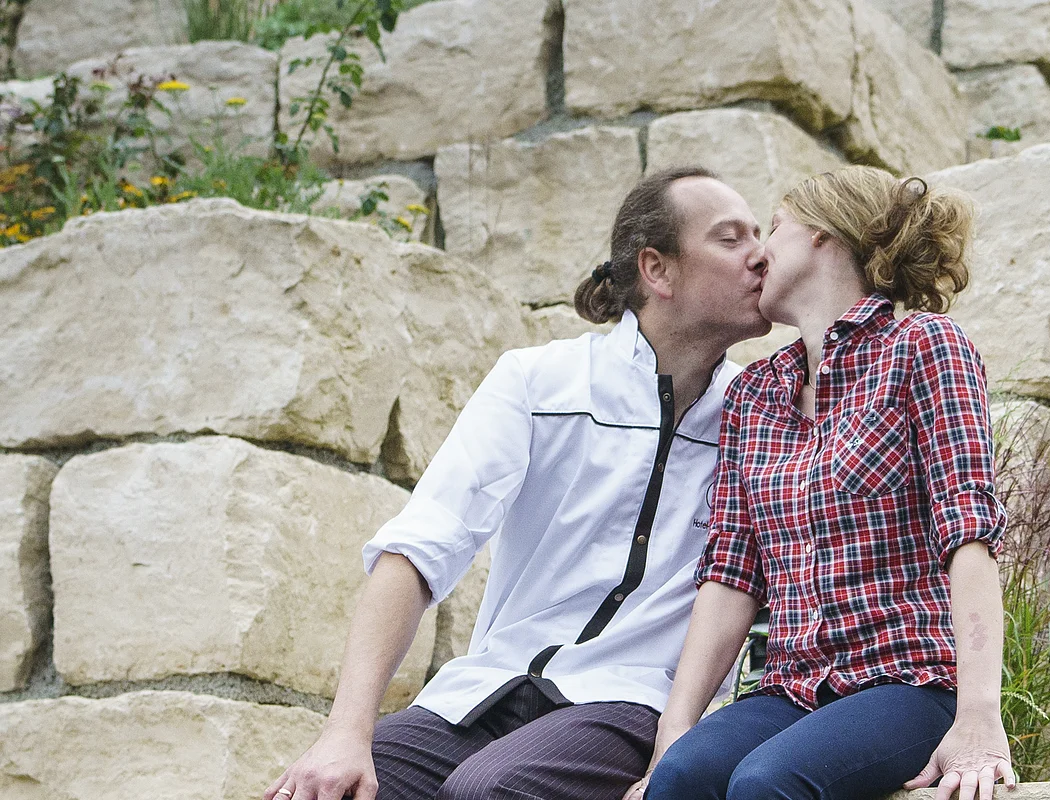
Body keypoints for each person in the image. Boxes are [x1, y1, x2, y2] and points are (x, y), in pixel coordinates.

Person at [265, 167, 775, 800]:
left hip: (635, 701)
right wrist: (346, 732)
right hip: (485, 691)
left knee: (490, 790)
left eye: (761, 235)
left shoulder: (761, 416)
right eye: (730, 238)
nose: (761, 255)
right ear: (656, 270)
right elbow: (421, 547)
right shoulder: (539, 382)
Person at [630, 166, 1013, 800]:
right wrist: (673, 735)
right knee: (679, 779)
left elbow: (968, 532)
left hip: (911, 681)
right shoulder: (755, 393)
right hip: (792, 689)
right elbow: (731, 572)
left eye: (774, 227)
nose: (759, 253)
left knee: (766, 784)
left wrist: (978, 717)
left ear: (821, 235)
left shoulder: (922, 346)